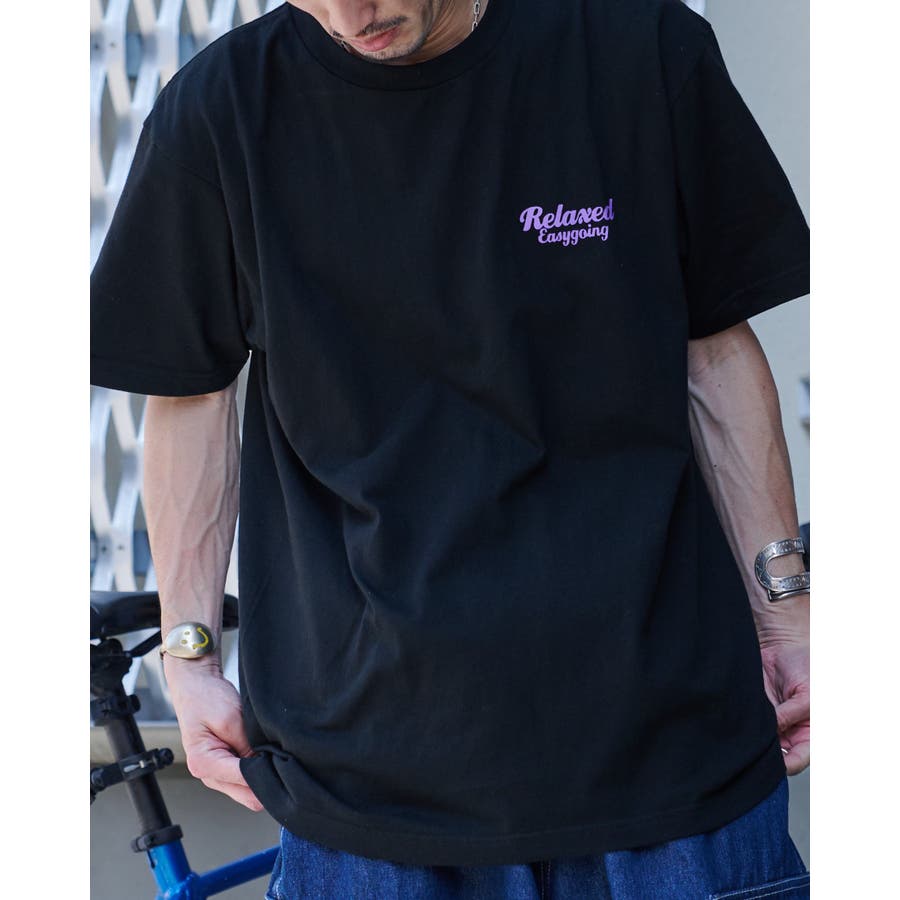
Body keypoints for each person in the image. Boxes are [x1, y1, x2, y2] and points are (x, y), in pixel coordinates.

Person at [90, 0, 811, 896]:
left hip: (674, 758)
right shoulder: (222, 109)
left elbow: (715, 354)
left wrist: (786, 612)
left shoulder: (641, 50)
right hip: (368, 789)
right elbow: (192, 395)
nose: (349, 15)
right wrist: (191, 658)